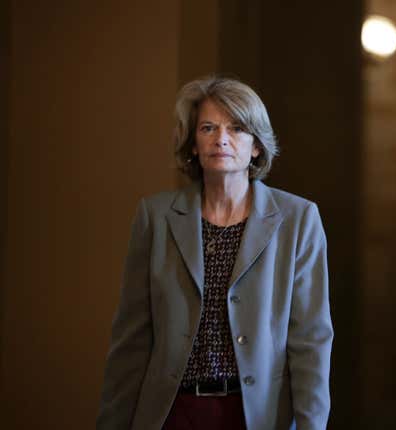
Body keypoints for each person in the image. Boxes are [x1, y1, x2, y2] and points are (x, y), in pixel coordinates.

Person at [97, 76, 333, 430]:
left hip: (256, 416)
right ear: (193, 143)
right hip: (172, 413)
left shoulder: (298, 220)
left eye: (236, 128)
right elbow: (131, 340)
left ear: (256, 146)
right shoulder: (155, 217)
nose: (221, 138)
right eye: (208, 127)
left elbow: (311, 341)